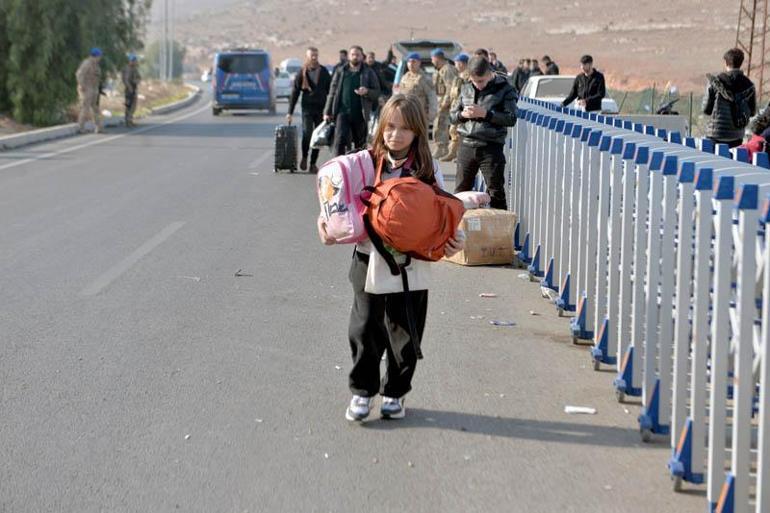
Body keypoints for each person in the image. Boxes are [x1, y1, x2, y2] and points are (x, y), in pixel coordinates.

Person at [316, 94, 465, 422]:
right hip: (368, 257)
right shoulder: (364, 164)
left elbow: (444, 211)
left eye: (404, 128)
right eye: (390, 126)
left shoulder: (427, 170)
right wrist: (326, 227)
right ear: (380, 127)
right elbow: (334, 205)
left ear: (417, 133)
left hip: (411, 265)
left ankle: (395, 392)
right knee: (365, 328)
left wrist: (455, 242)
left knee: (405, 333)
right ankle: (362, 392)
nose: (395, 135)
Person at [451, 56, 517, 209]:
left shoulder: (505, 89)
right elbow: (452, 117)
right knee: (460, 193)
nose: (478, 85)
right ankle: (458, 230)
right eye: (474, 81)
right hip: (466, 145)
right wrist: (462, 115)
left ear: (489, 73)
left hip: (490, 147)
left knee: (496, 193)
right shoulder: (465, 88)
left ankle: (499, 232)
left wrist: (486, 114)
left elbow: (511, 118)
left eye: (481, 81)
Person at [324, 45, 381, 156]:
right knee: (340, 140)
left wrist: (367, 92)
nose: (355, 57)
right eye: (353, 55)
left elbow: (377, 92)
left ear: (362, 57)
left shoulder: (368, 72)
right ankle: (339, 166)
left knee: (360, 144)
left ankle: (359, 167)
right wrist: (327, 111)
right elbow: (332, 92)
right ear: (349, 56)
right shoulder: (341, 71)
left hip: (360, 113)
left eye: (357, 55)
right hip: (342, 112)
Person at [288, 47, 331, 173]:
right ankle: (305, 157)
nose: (314, 57)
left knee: (318, 137)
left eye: (316, 55)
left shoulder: (323, 72)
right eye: (312, 55)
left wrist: (330, 110)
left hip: (321, 109)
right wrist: (290, 112)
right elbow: (295, 92)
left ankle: (313, 163)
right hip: (307, 108)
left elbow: (331, 91)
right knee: (307, 133)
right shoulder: (302, 72)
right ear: (307, 56)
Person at [703, 48, 757, 148]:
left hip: (715, 135)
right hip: (736, 136)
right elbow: (752, 112)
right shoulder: (749, 86)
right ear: (741, 63)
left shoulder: (715, 82)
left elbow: (706, 110)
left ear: (725, 63)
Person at [441, 52, 469, 162]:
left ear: (462, 63)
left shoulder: (467, 76)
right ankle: (453, 153)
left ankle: (459, 154)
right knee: (453, 131)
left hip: (461, 108)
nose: (455, 65)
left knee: (459, 132)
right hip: (455, 107)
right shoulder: (458, 76)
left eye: (457, 62)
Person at [431, 48, 458, 159]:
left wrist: (444, 103)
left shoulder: (447, 69)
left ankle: (443, 148)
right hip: (440, 101)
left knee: (441, 125)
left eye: (432, 59)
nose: (432, 61)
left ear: (437, 58)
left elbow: (450, 87)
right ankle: (440, 147)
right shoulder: (440, 70)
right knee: (439, 125)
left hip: (446, 103)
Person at [397, 52, 437, 127]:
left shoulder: (424, 78)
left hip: (419, 115)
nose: (411, 64)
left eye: (413, 62)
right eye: (409, 61)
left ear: (419, 63)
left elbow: (432, 97)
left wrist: (430, 115)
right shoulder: (405, 77)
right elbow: (399, 95)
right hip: (405, 114)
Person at [76, 47, 103, 134]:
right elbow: (79, 74)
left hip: (94, 89)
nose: (100, 58)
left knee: (95, 108)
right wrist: (82, 86)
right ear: (96, 56)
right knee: (85, 108)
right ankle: (81, 127)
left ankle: (98, 127)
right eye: (99, 56)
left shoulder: (96, 65)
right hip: (87, 89)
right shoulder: (87, 63)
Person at [122, 54, 141, 128]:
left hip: (134, 88)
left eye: (135, 60)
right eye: (133, 61)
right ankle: (128, 121)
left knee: (133, 106)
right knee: (129, 106)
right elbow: (126, 80)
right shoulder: (127, 69)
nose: (135, 62)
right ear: (130, 61)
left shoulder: (134, 69)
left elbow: (139, 77)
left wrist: (137, 81)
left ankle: (130, 120)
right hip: (129, 89)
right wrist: (130, 88)